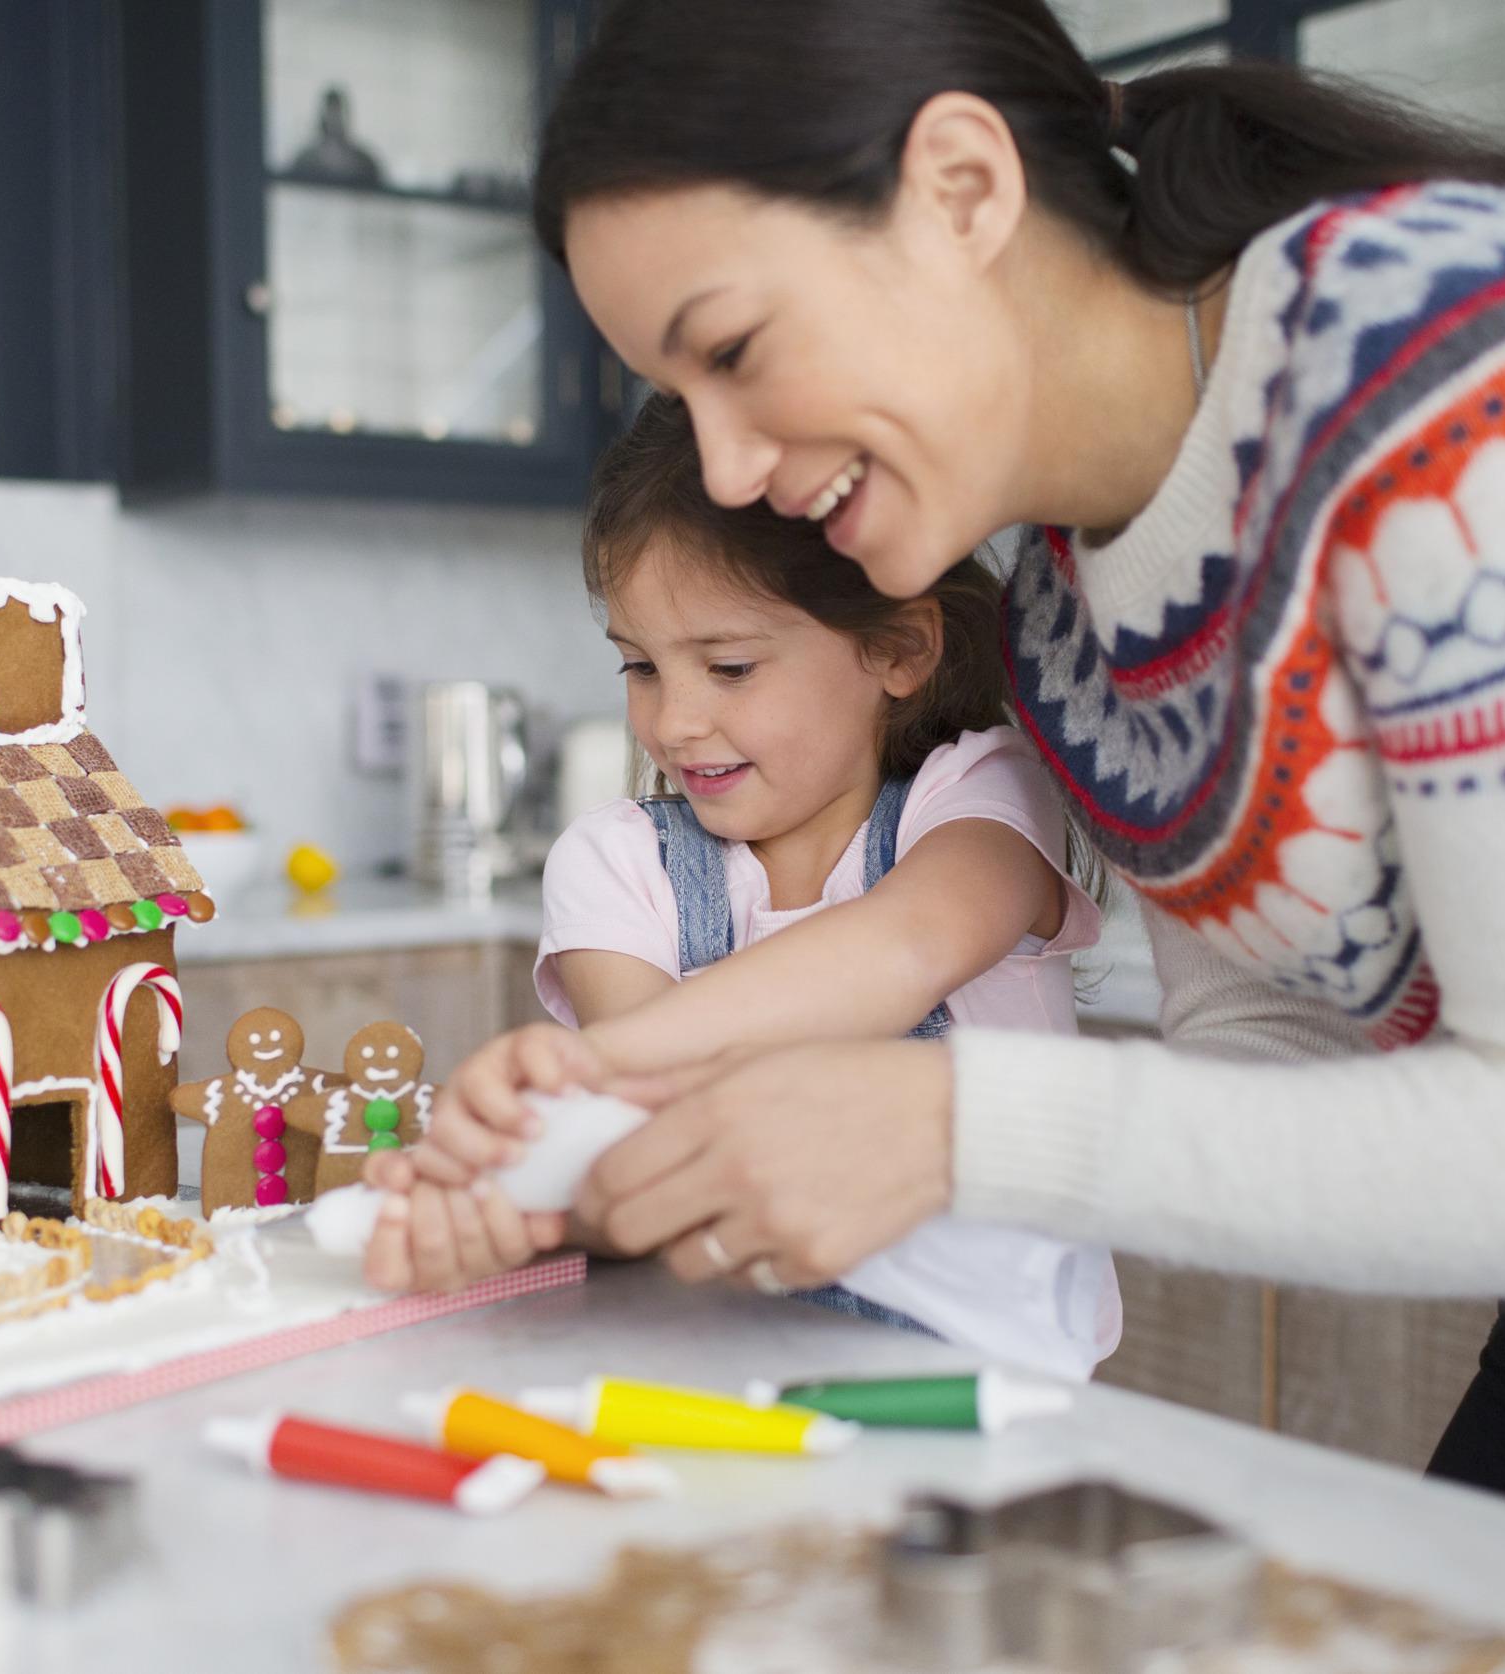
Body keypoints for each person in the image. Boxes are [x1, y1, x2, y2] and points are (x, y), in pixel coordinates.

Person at [400, 0, 1505, 1612]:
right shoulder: (1076, 620)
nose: (723, 466)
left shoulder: (1437, 365)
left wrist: (944, 1127)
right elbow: (1275, 1055)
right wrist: (628, 1084)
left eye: (733, 352)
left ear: (958, 186)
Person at [363, 395, 1120, 1380]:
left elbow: (900, 948)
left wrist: (592, 1070)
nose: (671, 722)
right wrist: (509, 1204)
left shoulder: (979, 799)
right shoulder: (616, 864)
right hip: (730, 1367)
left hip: (997, 1384)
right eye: (638, 666)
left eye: (726, 666)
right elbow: (648, 1145)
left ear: (896, 648)